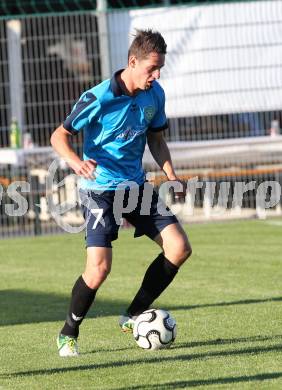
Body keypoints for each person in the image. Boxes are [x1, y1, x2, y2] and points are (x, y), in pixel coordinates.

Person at [50, 29, 192, 357]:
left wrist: (171, 175)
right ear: (132, 61)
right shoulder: (98, 97)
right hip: (99, 190)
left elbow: (156, 139)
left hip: (136, 187)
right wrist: (75, 161)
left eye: (160, 70)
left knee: (179, 247)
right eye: (151, 69)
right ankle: (69, 332)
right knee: (99, 269)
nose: (155, 76)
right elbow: (59, 135)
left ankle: (131, 316)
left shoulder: (155, 95)